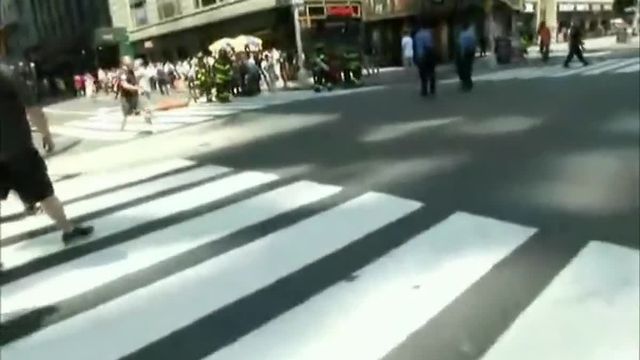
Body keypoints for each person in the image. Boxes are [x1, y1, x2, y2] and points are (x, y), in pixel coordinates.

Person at [0, 60, 94, 269]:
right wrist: (46, 135)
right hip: (18, 150)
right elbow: (33, 109)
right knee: (44, 194)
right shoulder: (8, 73)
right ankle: (68, 230)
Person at [118, 57, 152, 131]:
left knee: (146, 109)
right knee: (126, 116)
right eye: (130, 61)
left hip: (135, 96)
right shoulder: (122, 72)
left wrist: (139, 88)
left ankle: (150, 126)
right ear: (125, 63)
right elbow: (124, 85)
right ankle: (122, 129)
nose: (132, 63)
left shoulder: (131, 71)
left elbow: (134, 82)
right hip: (126, 97)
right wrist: (136, 88)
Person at [414, 18, 437, 97]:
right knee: (432, 71)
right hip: (430, 53)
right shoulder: (429, 33)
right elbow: (432, 43)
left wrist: (418, 57)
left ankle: (424, 90)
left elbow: (418, 47)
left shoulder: (417, 35)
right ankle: (432, 88)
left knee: (423, 73)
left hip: (422, 55)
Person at [457, 20, 477, 91]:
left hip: (465, 52)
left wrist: (462, 54)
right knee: (469, 66)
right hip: (471, 52)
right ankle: (469, 82)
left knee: (465, 68)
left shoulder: (462, 34)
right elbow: (474, 43)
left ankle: (466, 83)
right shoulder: (471, 33)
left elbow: (462, 46)